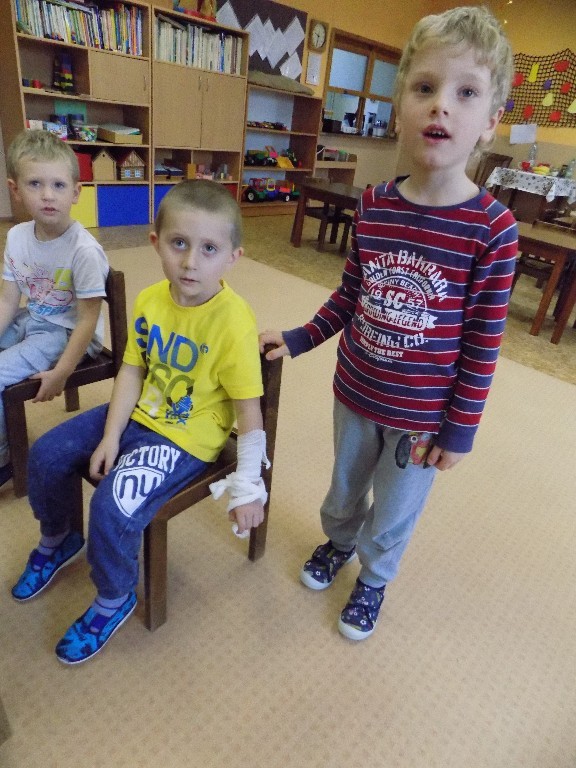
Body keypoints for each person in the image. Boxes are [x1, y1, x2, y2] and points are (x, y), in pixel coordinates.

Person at [260, 6, 518, 641]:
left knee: (396, 508)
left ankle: (374, 578)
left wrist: (459, 430)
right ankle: (338, 542)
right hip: (355, 392)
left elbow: (483, 345)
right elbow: (351, 295)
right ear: (400, 107)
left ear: (490, 121)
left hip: (422, 416)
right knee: (344, 491)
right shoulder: (374, 206)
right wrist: (300, 338)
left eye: (466, 93)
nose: (441, 106)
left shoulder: (493, 230)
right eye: (424, 87)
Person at [11, 179, 267, 664]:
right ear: (156, 242)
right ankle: (60, 537)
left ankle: (115, 596)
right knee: (47, 453)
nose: (190, 262)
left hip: (186, 440)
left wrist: (249, 485)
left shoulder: (234, 322)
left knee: (112, 506)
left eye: (209, 249)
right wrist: (111, 435)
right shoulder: (151, 300)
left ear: (233, 257)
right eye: (179, 243)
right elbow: (132, 369)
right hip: (135, 416)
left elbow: (249, 412)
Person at [0, 129, 109, 488]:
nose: (48, 195)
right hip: (33, 318)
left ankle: (5, 458)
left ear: (76, 192)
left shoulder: (84, 251)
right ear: (15, 189)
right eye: (35, 184)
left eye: (58, 185)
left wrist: (62, 373)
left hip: (70, 332)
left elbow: (88, 320)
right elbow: (7, 300)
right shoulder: (17, 237)